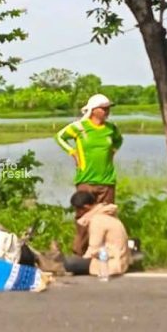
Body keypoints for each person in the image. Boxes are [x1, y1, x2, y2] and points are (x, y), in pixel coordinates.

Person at [56, 93, 123, 254]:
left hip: (107, 181)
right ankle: (80, 253)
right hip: (86, 180)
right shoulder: (79, 127)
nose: (107, 111)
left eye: (109, 108)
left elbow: (119, 140)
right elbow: (59, 137)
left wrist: (113, 151)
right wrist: (72, 152)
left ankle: (104, 253)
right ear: (93, 110)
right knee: (83, 218)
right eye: (104, 108)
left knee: (106, 217)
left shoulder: (111, 129)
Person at [62, 191, 131, 277]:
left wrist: (81, 261)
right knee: (72, 260)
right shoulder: (107, 214)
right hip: (120, 260)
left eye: (77, 210)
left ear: (85, 208)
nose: (76, 214)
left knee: (69, 263)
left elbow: (93, 249)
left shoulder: (97, 220)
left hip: (111, 263)